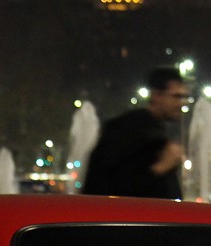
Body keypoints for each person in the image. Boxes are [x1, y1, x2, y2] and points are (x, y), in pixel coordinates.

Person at [81, 67, 189, 199]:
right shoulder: (127, 129)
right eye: (176, 96)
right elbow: (106, 188)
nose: (181, 103)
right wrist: (160, 167)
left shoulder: (156, 130)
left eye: (183, 97)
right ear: (157, 95)